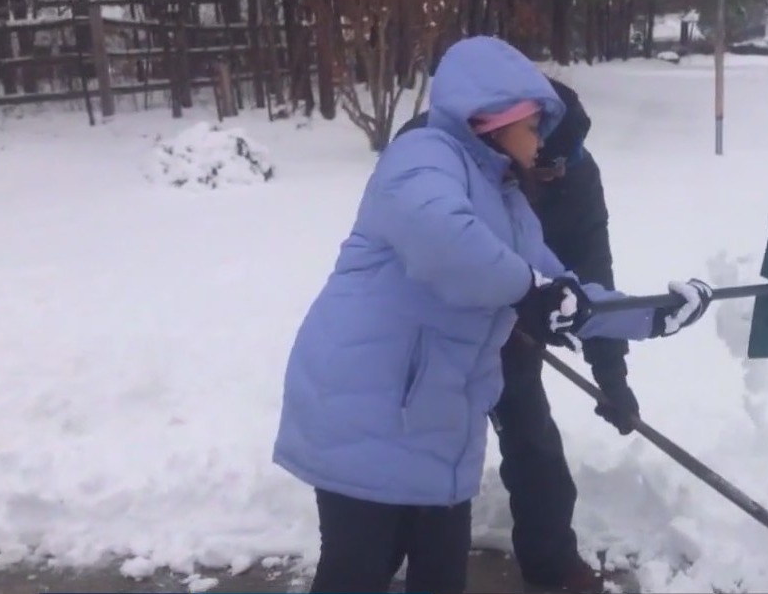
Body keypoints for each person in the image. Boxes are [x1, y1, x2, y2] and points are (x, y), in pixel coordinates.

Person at [272, 35, 717, 594]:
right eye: (534, 127)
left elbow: (567, 292)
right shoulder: (423, 156)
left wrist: (654, 315)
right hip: (369, 413)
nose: (540, 145)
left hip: (436, 426)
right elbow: (441, 240)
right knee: (356, 575)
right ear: (496, 121)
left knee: (438, 580)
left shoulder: (507, 204)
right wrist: (528, 290)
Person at [394, 77, 637, 593]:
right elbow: (415, 246)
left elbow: (591, 276)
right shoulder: (439, 148)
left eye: (560, 163)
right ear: (506, 133)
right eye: (542, 158)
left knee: (535, 447)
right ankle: (400, 561)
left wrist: (611, 376)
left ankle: (552, 567)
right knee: (424, 454)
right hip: (431, 333)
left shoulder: (575, 176)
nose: (548, 174)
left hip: (512, 334)